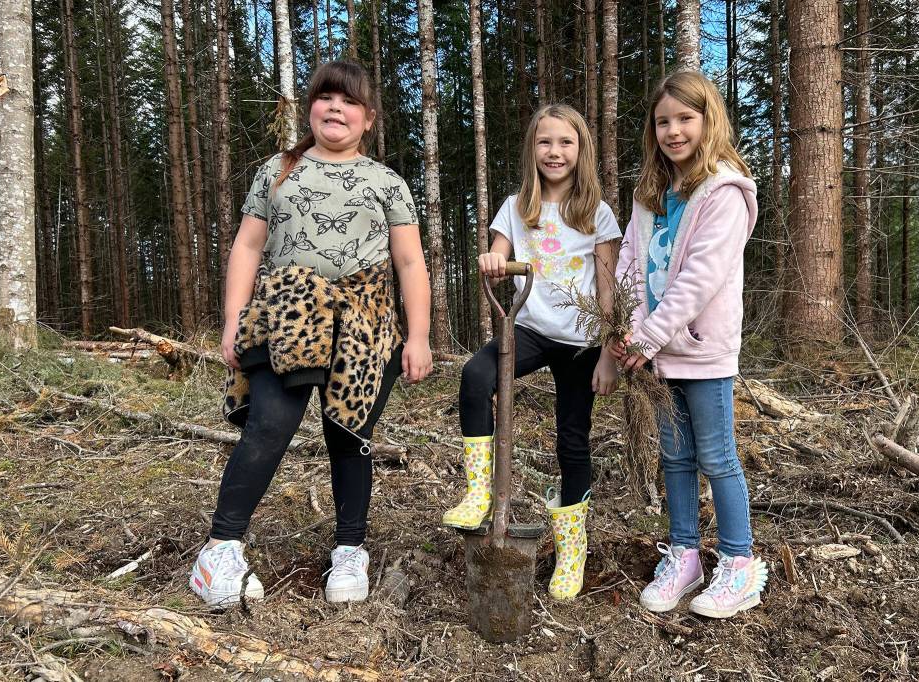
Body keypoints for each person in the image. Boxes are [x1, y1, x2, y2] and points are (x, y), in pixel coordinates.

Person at [190, 60, 432, 609]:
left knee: (349, 435)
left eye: (349, 102)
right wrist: (233, 320)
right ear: (310, 108)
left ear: (368, 118)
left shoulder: (387, 183)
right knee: (269, 425)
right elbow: (248, 246)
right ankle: (220, 550)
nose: (336, 108)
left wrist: (417, 336)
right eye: (326, 98)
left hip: (364, 326)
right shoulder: (277, 171)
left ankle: (349, 550)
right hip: (286, 318)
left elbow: (410, 262)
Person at [442, 104, 621, 601]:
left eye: (565, 142)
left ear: (581, 149)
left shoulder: (597, 213)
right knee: (476, 375)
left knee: (572, 440)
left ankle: (571, 550)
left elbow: (608, 288)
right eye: (545, 142)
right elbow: (499, 253)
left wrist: (609, 352)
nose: (554, 152)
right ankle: (479, 493)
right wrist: (493, 260)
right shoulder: (517, 207)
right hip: (530, 329)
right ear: (532, 149)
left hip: (581, 340)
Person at [610, 71, 767, 619]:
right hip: (656, 351)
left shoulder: (723, 192)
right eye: (663, 122)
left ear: (708, 120)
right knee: (675, 457)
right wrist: (629, 325)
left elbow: (700, 278)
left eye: (685, 119)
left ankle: (739, 563)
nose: (673, 131)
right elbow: (630, 262)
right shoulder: (651, 194)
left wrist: (649, 335)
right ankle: (685, 556)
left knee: (717, 456)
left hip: (701, 350)